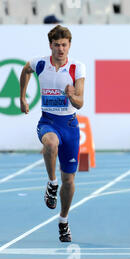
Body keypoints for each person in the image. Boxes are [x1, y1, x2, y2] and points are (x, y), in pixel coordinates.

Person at [20, 25, 86, 242]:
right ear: (51, 46)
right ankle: (51, 182)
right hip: (48, 121)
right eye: (56, 45)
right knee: (50, 144)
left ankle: (63, 221)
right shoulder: (40, 63)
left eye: (64, 45)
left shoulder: (77, 68)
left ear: (69, 45)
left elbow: (80, 103)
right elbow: (25, 71)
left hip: (70, 126)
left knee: (70, 181)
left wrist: (71, 95)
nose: (60, 49)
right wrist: (22, 97)